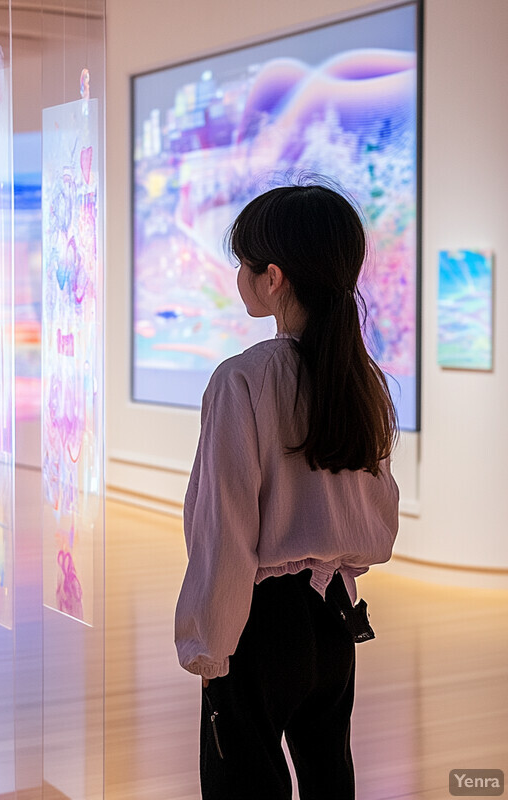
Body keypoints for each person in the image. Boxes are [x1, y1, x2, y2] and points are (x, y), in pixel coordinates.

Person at [174, 183, 400, 799]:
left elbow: (224, 533)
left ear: (272, 277)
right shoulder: (363, 380)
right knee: (332, 779)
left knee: (242, 785)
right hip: (334, 615)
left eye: (243, 264)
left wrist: (208, 649)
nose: (239, 276)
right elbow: (376, 519)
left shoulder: (242, 379)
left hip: (258, 625)